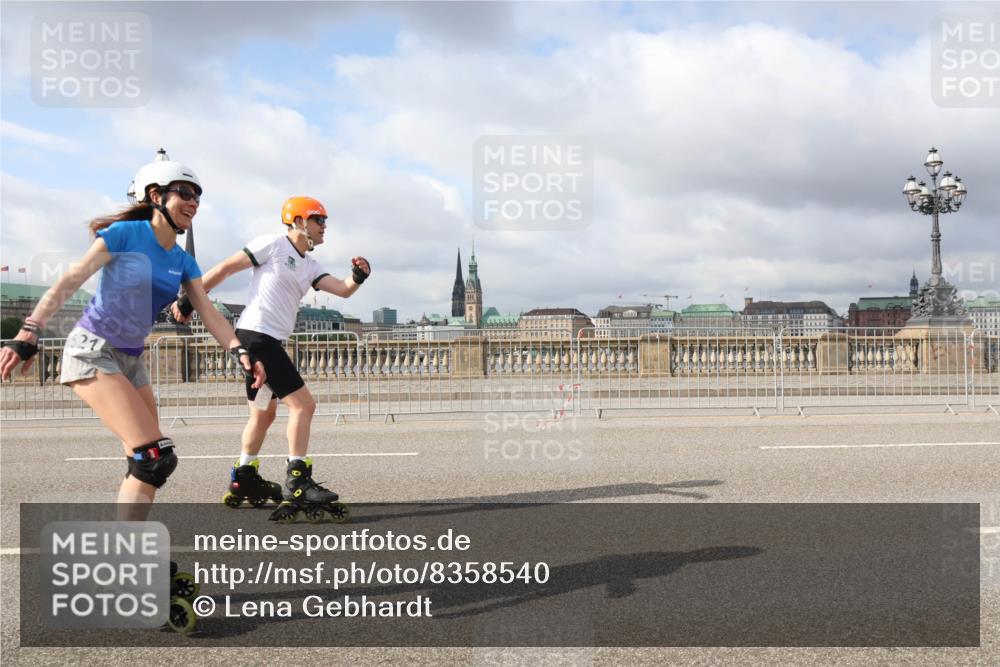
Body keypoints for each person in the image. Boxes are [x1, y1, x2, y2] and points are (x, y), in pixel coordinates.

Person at [0, 149, 266, 521]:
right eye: (184, 193)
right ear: (155, 196)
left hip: (131, 361)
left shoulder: (182, 260)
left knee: (145, 463)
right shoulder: (126, 234)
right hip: (93, 351)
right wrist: (29, 330)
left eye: (197, 195)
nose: (193, 202)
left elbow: (209, 314)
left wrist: (240, 351)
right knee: (154, 457)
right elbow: (70, 280)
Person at [171, 195, 370, 522]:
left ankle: (244, 475)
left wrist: (359, 276)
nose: (325, 228)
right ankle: (298, 481)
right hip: (256, 337)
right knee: (304, 406)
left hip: (268, 341)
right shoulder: (273, 245)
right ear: (300, 222)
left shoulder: (310, 265)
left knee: (263, 413)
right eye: (320, 220)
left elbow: (343, 289)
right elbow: (224, 269)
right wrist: (188, 300)